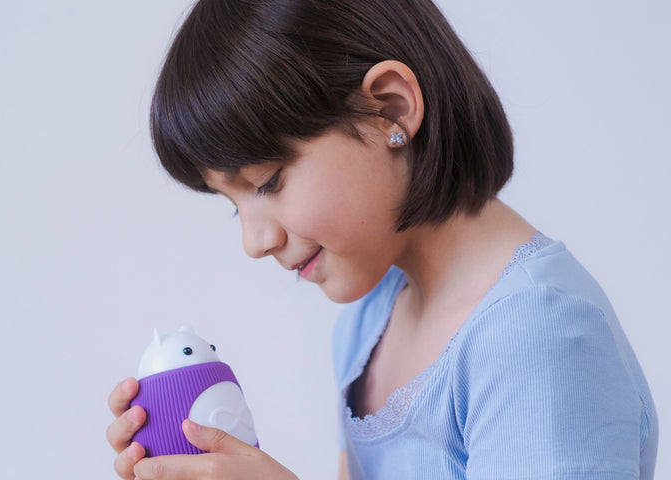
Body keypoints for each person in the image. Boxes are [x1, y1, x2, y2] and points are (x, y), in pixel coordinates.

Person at [105, 0, 659, 478]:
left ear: (390, 109)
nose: (254, 242)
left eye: (268, 181)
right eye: (234, 207)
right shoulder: (370, 321)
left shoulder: (539, 334)